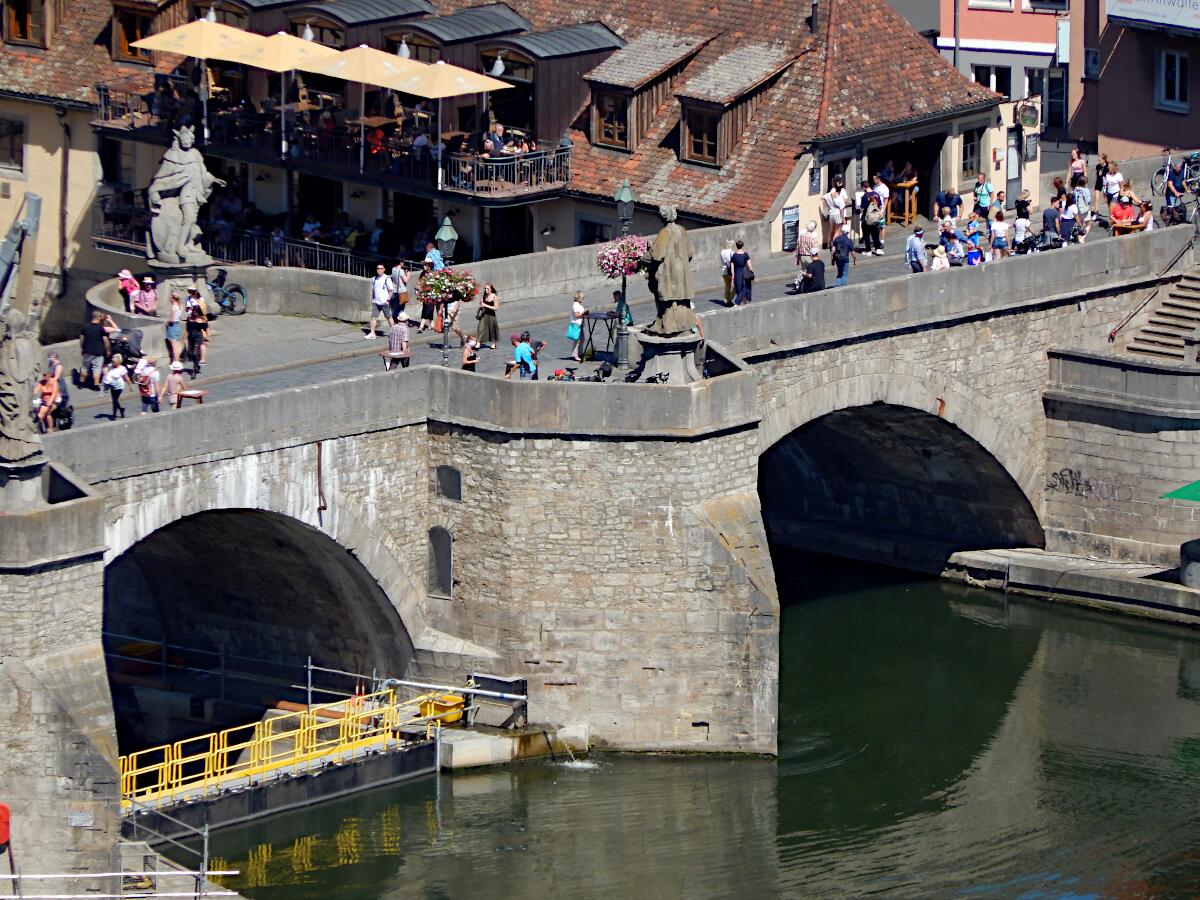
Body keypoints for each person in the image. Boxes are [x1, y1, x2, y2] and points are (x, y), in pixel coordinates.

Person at [78, 310, 110, 390]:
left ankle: (81, 384)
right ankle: (95, 386)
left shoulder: (85, 326)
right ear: (98, 317)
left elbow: (81, 339)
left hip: (87, 351)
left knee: (85, 367)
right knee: (97, 369)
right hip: (98, 352)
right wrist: (108, 350)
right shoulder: (101, 328)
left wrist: (82, 348)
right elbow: (105, 340)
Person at [365, 263, 394, 339]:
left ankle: (394, 332)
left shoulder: (387, 279)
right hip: (376, 302)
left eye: (381, 268)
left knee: (388, 317)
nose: (379, 270)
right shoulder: (374, 278)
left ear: (384, 269)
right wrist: (372, 299)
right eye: (378, 268)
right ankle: (372, 333)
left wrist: (388, 300)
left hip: (384, 302)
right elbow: (373, 290)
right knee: (373, 317)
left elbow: (391, 290)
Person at [103, 352, 131, 419]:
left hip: (119, 386)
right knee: (114, 400)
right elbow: (105, 369)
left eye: (114, 362)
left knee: (115, 400)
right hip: (112, 385)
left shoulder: (122, 368)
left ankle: (114, 415)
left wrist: (130, 386)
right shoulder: (110, 366)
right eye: (112, 361)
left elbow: (127, 378)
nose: (113, 363)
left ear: (119, 362)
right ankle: (121, 409)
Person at [823, 175, 849, 243]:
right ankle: (834, 245)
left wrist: (829, 206)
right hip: (839, 214)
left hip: (831, 212)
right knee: (838, 231)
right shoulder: (841, 190)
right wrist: (843, 219)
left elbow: (825, 199)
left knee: (831, 230)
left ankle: (829, 244)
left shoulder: (832, 191)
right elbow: (845, 201)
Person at [794, 222, 819, 289]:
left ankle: (799, 283)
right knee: (812, 271)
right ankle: (812, 285)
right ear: (813, 229)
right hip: (809, 256)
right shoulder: (811, 237)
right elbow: (814, 249)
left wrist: (797, 257)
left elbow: (798, 246)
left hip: (802, 256)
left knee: (804, 270)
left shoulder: (801, 236)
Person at [185, 305, 208, 377]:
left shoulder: (202, 320)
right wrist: (184, 338)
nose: (195, 313)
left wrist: (206, 338)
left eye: (196, 312)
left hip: (198, 337)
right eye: (194, 312)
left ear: (199, 312)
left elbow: (205, 330)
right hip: (190, 337)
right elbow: (187, 329)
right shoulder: (189, 319)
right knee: (191, 354)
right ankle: (197, 365)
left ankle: (194, 371)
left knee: (195, 353)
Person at [730, 239, 753, 306]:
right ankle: (738, 302)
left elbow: (732, 267)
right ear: (742, 246)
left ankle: (741, 302)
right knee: (745, 288)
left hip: (737, 273)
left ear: (737, 246)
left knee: (738, 288)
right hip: (744, 274)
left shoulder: (734, 255)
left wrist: (733, 275)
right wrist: (751, 271)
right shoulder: (745, 255)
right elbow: (750, 266)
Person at [477, 283, 500, 348]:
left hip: (491, 315)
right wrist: (481, 303)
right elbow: (482, 304)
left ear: (491, 289)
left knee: (492, 329)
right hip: (484, 314)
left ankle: (493, 343)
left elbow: (496, 308)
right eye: (485, 288)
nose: (486, 290)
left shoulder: (494, 297)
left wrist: (485, 305)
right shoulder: (484, 296)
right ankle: (478, 343)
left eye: (487, 288)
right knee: (480, 328)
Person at [872, 174, 891, 250]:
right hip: (875, 208)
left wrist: (883, 210)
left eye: (874, 179)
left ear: (878, 179)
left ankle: (882, 241)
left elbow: (886, 200)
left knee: (882, 226)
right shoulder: (874, 187)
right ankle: (876, 240)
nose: (873, 181)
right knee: (875, 225)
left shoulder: (884, 188)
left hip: (881, 209)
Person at [568, 291, 587, 362]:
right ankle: (575, 355)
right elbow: (576, 315)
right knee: (577, 340)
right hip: (576, 324)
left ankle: (579, 353)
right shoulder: (576, 305)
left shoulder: (578, 304)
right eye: (583, 297)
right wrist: (583, 314)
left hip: (580, 324)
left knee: (582, 339)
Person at [417, 261, 435, 332]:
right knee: (427, 309)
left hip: (431, 295)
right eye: (424, 265)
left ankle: (421, 326)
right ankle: (432, 324)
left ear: (429, 266)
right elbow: (419, 282)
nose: (423, 266)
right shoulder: (423, 273)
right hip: (424, 294)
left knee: (427, 309)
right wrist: (418, 289)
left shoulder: (433, 274)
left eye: (425, 265)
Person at [720, 240, 736, 305]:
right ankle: (729, 299)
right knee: (736, 287)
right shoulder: (732, 252)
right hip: (730, 272)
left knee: (727, 286)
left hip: (724, 271)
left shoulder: (722, 252)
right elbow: (733, 263)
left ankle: (725, 300)